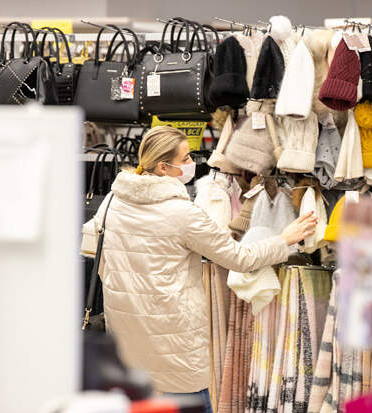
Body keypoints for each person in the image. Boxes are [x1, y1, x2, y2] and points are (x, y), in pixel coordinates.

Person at [92, 126, 317, 410]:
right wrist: (284, 239)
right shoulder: (183, 214)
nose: (192, 163)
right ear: (163, 167)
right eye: (185, 158)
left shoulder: (112, 202)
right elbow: (240, 258)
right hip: (175, 344)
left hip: (127, 339)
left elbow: (97, 253)